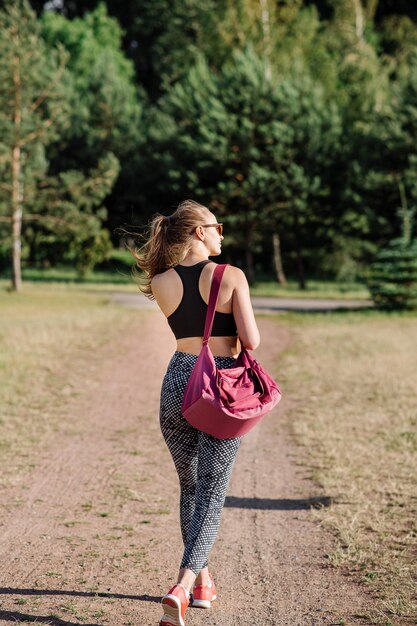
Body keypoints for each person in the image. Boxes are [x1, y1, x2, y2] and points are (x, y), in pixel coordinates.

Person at [132, 199, 260, 626]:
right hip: (220, 384)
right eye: (216, 225)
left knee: (190, 486)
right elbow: (252, 340)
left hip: (177, 380)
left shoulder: (162, 280)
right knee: (212, 489)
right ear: (198, 232)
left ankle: (203, 581)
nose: (222, 233)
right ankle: (183, 586)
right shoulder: (231, 276)